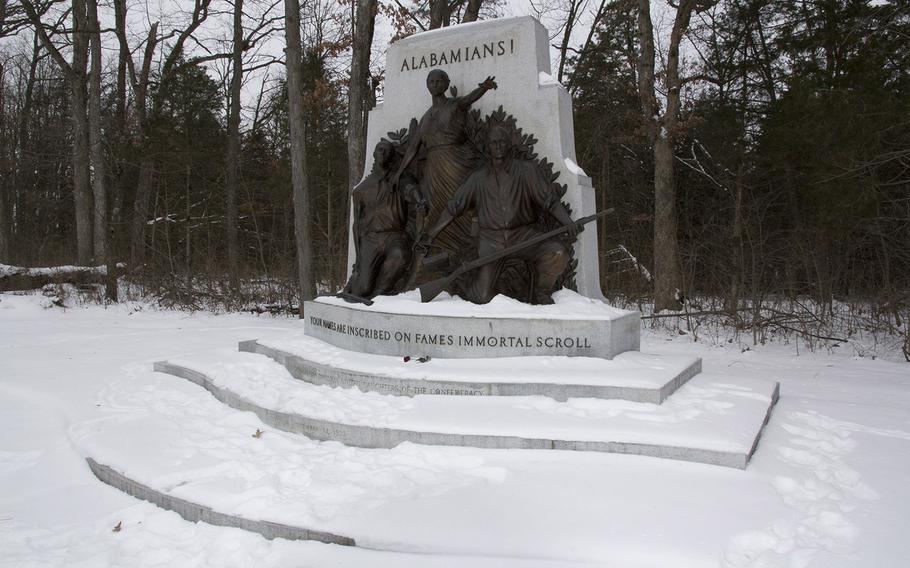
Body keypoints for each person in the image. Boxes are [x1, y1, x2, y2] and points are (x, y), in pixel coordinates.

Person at [420, 126, 582, 305]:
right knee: (481, 297)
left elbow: (549, 201)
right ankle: (459, 281)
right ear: (487, 146)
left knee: (557, 253)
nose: (498, 146)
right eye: (493, 142)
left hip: (524, 235)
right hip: (491, 240)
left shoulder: (527, 171)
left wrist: (568, 222)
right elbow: (453, 208)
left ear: (509, 144)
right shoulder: (477, 178)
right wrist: (430, 234)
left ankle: (540, 291)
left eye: (502, 141)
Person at [393, 69, 497, 257]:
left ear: (447, 84)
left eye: (439, 81)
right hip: (434, 167)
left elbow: (469, 99)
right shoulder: (425, 118)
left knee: (460, 201)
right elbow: (412, 149)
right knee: (437, 207)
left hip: (456, 161)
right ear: (427, 85)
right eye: (431, 81)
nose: (434, 84)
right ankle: (441, 248)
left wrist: (484, 87)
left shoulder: (455, 105)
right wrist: (400, 172)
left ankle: (471, 245)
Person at [345, 140, 420, 298]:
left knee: (399, 256)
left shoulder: (399, 180)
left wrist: (419, 198)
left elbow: (411, 190)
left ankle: (379, 294)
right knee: (362, 289)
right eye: (380, 150)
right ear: (374, 154)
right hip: (370, 239)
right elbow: (357, 225)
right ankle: (357, 283)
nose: (383, 153)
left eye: (387, 151)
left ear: (392, 155)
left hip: (394, 236)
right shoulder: (361, 190)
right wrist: (358, 259)